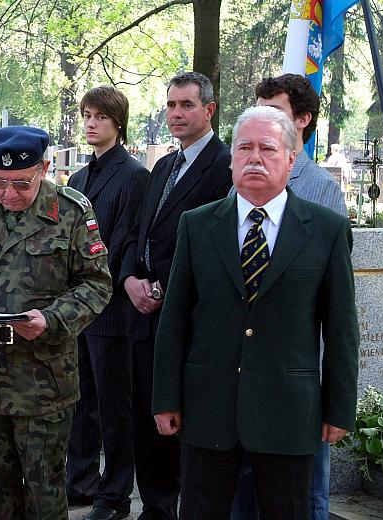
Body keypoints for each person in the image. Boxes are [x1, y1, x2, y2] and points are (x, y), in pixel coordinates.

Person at [152, 105, 359, 520]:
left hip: (288, 411)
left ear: (291, 158)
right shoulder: (197, 225)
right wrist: (165, 399)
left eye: (267, 148)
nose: (254, 158)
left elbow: (340, 330)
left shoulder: (326, 229)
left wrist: (339, 410)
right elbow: (174, 319)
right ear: (232, 159)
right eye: (244, 148)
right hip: (208, 409)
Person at [0, 125, 112, 519]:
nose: (9, 194)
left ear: (44, 169)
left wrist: (52, 318)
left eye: (21, 184)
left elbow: (96, 283)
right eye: (0, 183)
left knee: (45, 497)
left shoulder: (71, 212)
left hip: (43, 383)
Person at [230, 73, 349, 520]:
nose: (261, 124)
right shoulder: (241, 180)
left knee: (303, 498)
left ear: (302, 121)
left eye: (275, 112)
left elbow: (335, 299)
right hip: (240, 379)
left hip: (296, 381)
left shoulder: (321, 190)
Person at [118, 71, 233, 520]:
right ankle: (155, 508)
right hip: (142, 317)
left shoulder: (223, 167)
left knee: (181, 423)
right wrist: (128, 279)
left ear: (209, 110)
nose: (176, 114)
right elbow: (136, 232)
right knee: (147, 422)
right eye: (171, 105)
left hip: (187, 320)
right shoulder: (164, 165)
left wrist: (162, 288)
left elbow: (212, 248)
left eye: (186, 105)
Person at [65, 86, 148, 520]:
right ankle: (80, 481)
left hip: (112, 307)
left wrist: (95, 278)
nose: (90, 123)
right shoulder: (79, 178)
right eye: (86, 115)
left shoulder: (135, 175)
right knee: (80, 401)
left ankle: (114, 494)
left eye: (99, 116)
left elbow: (126, 238)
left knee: (115, 406)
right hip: (76, 307)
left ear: (118, 122)